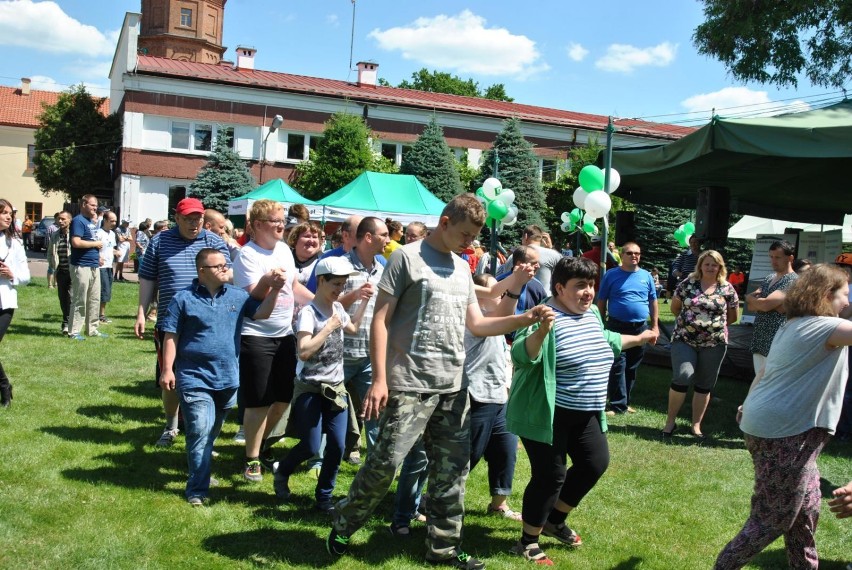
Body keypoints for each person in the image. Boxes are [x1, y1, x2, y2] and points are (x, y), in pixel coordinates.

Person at [327, 194, 552, 569]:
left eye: (474, 236)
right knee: (385, 464)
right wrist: (380, 378)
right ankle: (345, 522)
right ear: (444, 222)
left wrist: (524, 318)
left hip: (453, 386)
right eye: (464, 233)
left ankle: (443, 549)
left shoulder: (462, 267)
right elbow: (380, 320)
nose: (469, 242)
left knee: (452, 474)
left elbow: (477, 324)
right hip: (409, 383)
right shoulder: (406, 258)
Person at [506, 257, 657, 565]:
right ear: (560, 288)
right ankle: (527, 542)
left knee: (594, 463)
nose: (589, 292)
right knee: (551, 475)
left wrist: (640, 337)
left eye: (591, 285)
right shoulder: (543, 315)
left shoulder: (592, 315)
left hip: (586, 412)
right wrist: (543, 330)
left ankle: (555, 521)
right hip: (549, 413)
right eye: (580, 286)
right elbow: (522, 355)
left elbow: (607, 341)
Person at [715, 264, 852, 569]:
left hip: (768, 423)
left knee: (806, 509)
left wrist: (747, 403)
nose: (847, 301)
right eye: (844, 294)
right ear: (827, 295)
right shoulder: (827, 327)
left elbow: (764, 372)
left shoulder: (792, 325)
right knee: (773, 517)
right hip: (787, 432)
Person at [160, 248, 285, 506]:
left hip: (228, 378)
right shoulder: (183, 299)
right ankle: (197, 490)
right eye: (218, 266)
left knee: (210, 433)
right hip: (194, 376)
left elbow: (261, 313)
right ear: (202, 271)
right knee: (199, 429)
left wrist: (275, 290)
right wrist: (167, 369)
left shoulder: (237, 296)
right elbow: (170, 335)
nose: (225, 269)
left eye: (225, 265)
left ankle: (201, 473)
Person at [274, 256, 370, 512]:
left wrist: (363, 302)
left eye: (343, 285)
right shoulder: (308, 313)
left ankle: (324, 497)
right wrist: (327, 329)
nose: (339, 290)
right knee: (311, 446)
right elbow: (304, 351)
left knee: (338, 446)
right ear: (321, 281)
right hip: (310, 389)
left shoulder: (337, 309)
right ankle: (282, 471)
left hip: (336, 389)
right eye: (335, 284)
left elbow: (354, 328)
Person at [135, 197, 230, 447]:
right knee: (170, 379)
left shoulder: (213, 241)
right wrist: (141, 312)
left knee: (207, 378)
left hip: (207, 325)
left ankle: (204, 433)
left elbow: (229, 276)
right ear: (176, 218)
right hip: (170, 324)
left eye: (197, 218)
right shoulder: (160, 241)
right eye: (187, 219)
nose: (193, 223)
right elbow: (147, 278)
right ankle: (171, 426)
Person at [232, 199, 313, 482]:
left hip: (284, 333)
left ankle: (260, 444)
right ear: (256, 225)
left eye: (282, 219)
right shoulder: (247, 256)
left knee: (282, 398)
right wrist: (268, 280)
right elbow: (253, 297)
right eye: (274, 220)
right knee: (258, 401)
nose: (281, 224)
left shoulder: (283, 250)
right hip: (256, 336)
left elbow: (293, 286)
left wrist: (322, 307)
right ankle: (252, 460)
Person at [662, 250, 739, 439]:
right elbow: (675, 308)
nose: (711, 268)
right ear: (700, 266)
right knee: (683, 376)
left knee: (705, 384)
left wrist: (711, 327)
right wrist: (691, 325)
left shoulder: (727, 288)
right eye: (707, 264)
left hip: (714, 343)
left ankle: (696, 425)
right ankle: (670, 422)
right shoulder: (687, 284)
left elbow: (733, 317)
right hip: (684, 339)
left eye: (715, 264)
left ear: (720, 267)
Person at [597, 242, 658, 415]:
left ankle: (624, 401)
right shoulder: (611, 275)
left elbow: (653, 302)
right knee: (618, 364)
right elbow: (601, 301)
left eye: (637, 253)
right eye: (630, 253)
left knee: (632, 366)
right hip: (617, 326)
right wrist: (601, 324)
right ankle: (618, 404)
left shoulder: (646, 276)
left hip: (640, 327)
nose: (634, 256)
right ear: (622, 255)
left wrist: (654, 327)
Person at [746, 240, 797, 375]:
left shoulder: (793, 280)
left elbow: (764, 304)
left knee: (772, 384)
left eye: (778, 257)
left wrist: (750, 298)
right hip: (760, 338)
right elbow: (751, 307)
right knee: (759, 381)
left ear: (790, 258)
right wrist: (760, 303)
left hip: (777, 340)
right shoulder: (769, 278)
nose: (773, 261)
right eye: (771, 257)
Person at [0, 199, 30, 407]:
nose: (8, 216)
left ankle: (3, 387)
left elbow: (26, 276)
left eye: (10, 213)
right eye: (4, 213)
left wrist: (12, 275)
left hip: (5, 302)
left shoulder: (16, 243)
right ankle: (5, 386)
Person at [68, 195, 105, 341]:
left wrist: (98, 256)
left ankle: (92, 329)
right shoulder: (78, 221)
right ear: (83, 204)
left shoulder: (90, 222)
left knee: (94, 299)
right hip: (81, 265)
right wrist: (95, 244)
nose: (95, 208)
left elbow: (90, 241)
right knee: (79, 299)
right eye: (92, 205)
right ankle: (74, 331)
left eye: (96, 205)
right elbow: (76, 242)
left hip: (93, 264)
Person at [499, 225, 564, 292]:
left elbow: (506, 278)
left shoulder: (514, 256)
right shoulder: (553, 255)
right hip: (545, 300)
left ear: (526, 236)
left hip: (519, 299)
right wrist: (551, 249)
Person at [48, 211, 73, 335]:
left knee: (72, 298)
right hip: (61, 271)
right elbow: (50, 251)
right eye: (59, 219)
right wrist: (52, 265)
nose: (60, 221)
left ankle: (69, 324)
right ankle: (66, 322)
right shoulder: (55, 234)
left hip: (73, 272)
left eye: (63, 219)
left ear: (69, 220)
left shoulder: (74, 234)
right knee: (63, 299)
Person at [96, 211, 120, 324]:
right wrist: (98, 257)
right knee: (103, 291)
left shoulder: (112, 234)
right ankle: (100, 315)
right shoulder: (99, 233)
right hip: (100, 267)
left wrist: (117, 252)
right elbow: (94, 248)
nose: (114, 223)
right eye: (112, 221)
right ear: (105, 220)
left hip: (109, 266)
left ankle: (101, 314)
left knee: (107, 291)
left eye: (115, 221)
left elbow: (110, 248)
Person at [288, 221, 322, 286]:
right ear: (295, 240)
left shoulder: (324, 261)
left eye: (314, 237)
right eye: (307, 236)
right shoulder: (285, 258)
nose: (311, 240)